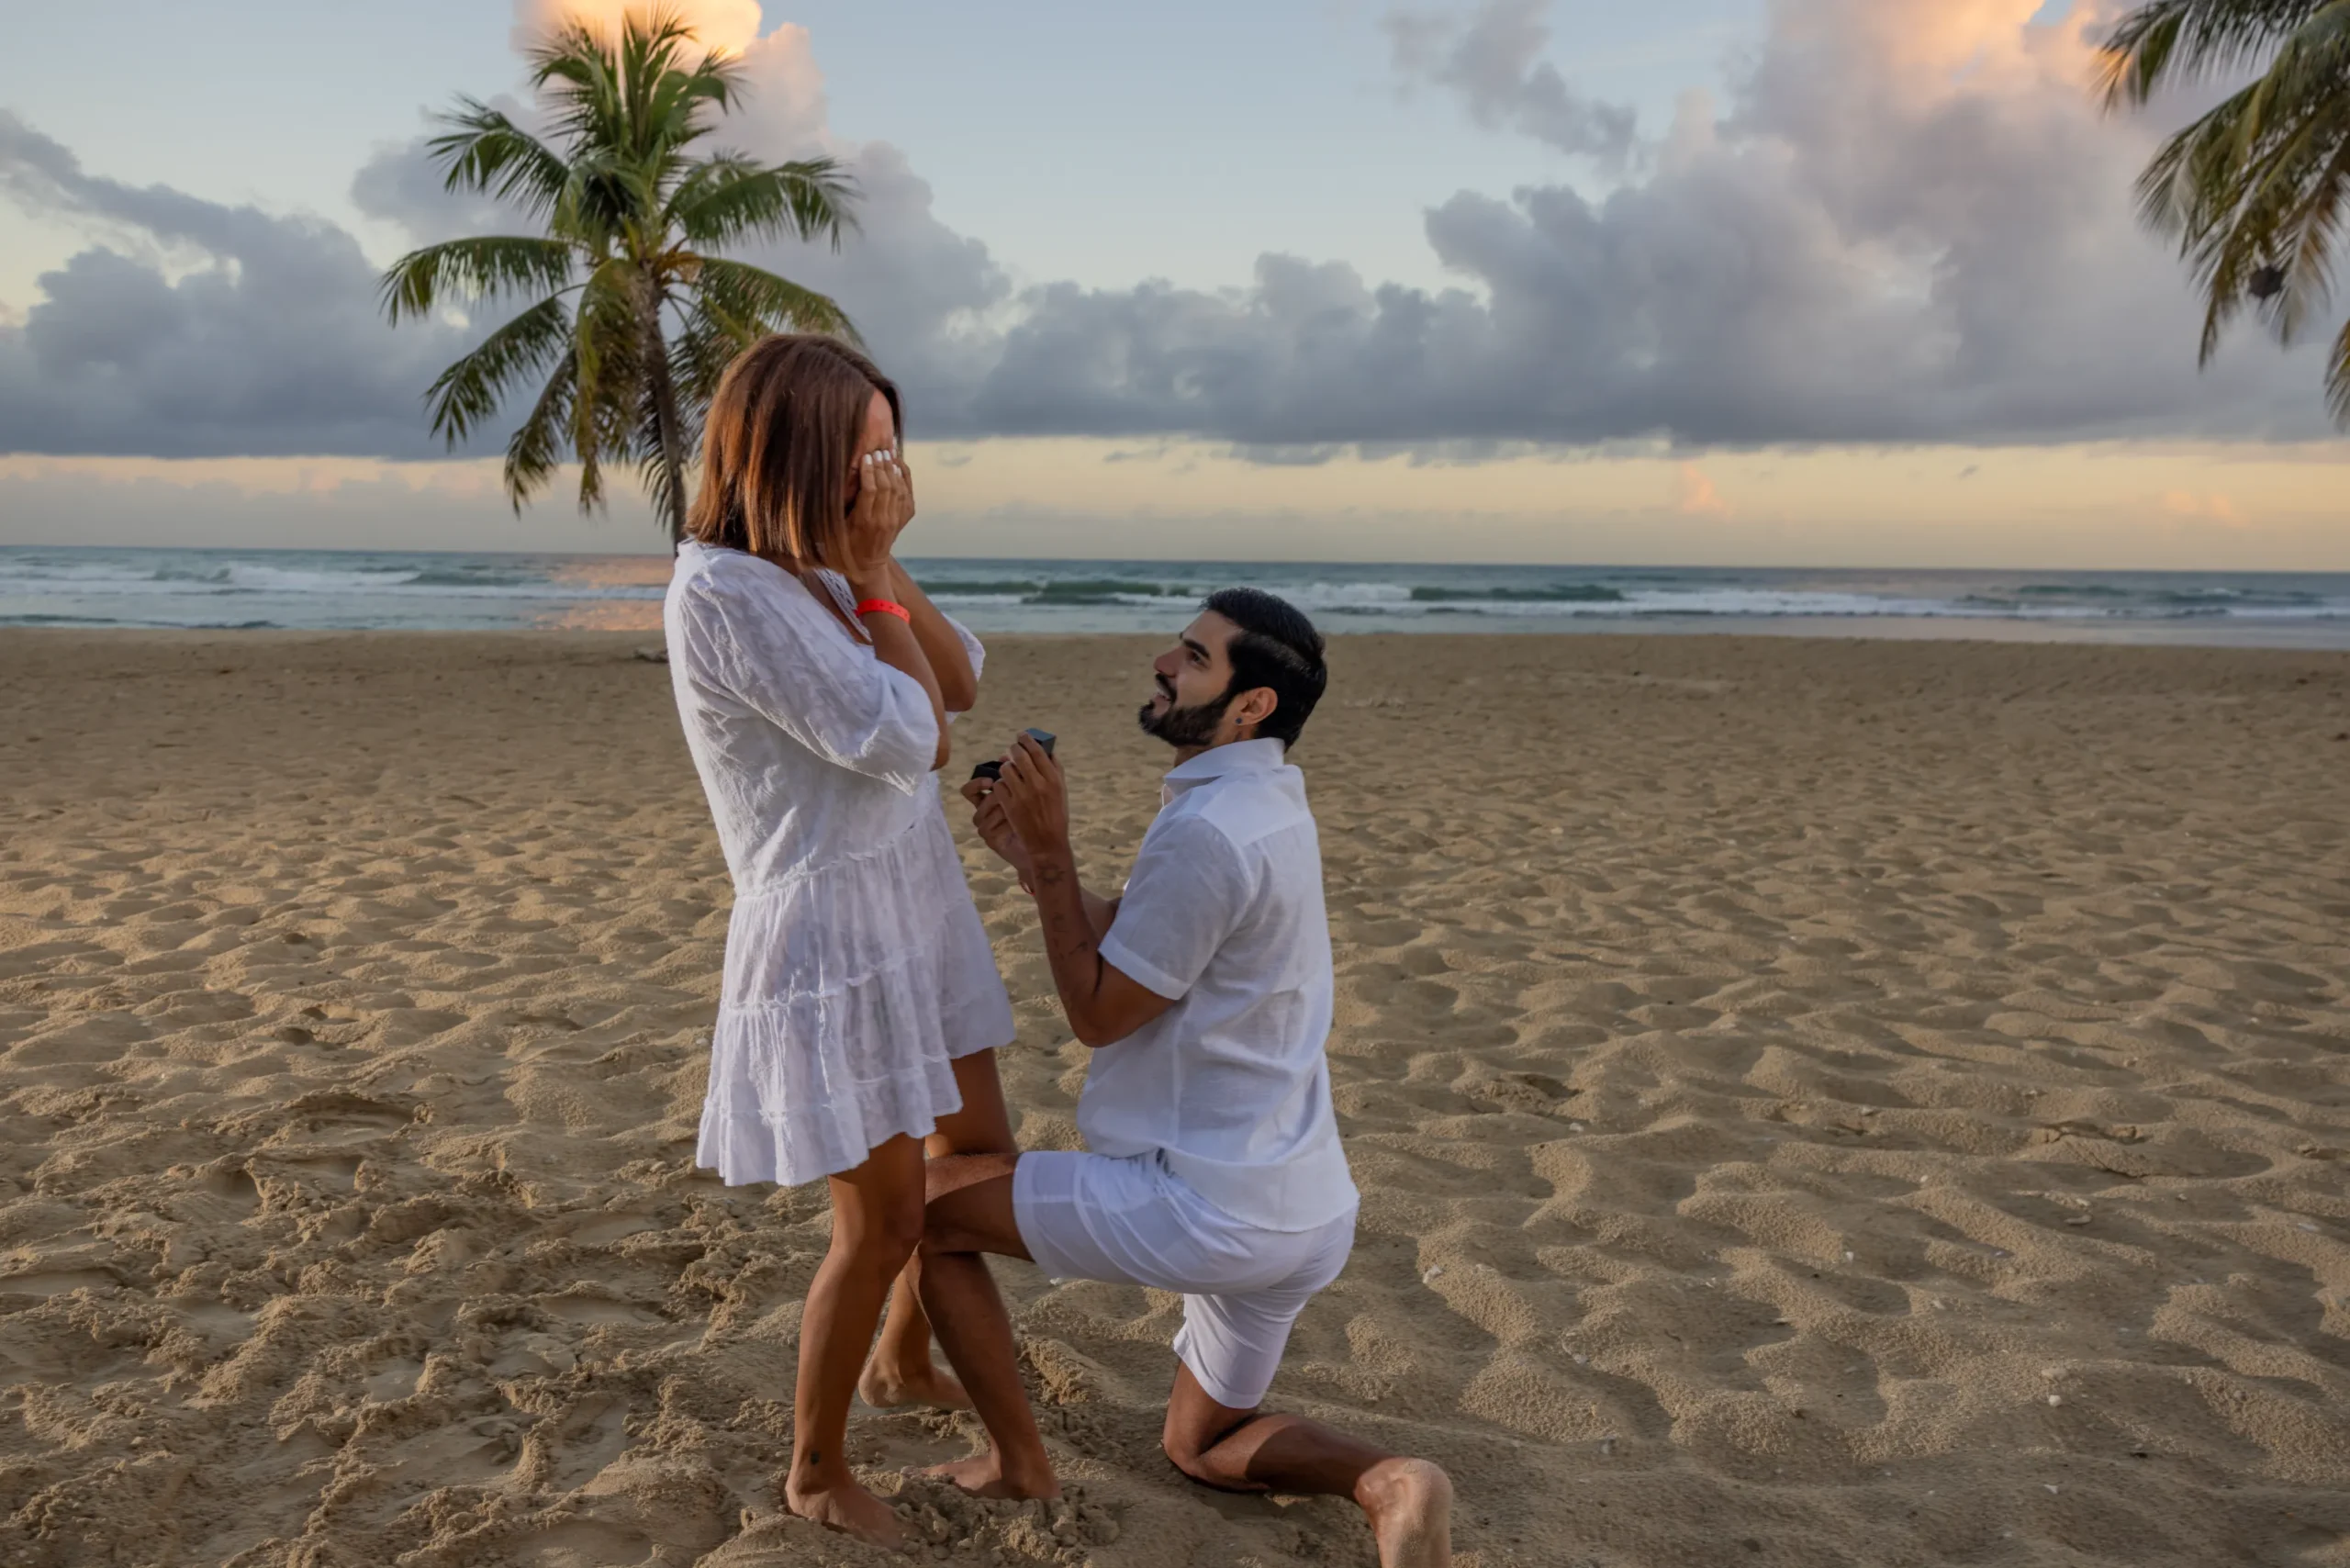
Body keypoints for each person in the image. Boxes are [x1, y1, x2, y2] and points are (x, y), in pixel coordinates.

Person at [915, 588, 1455, 1568]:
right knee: (1198, 1445)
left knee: (917, 1209)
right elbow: (1148, 938)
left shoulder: (1208, 831)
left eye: (1194, 657)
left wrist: (1052, 850)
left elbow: (1099, 1012)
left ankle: (1013, 1460)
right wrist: (1031, 862)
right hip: (1304, 1207)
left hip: (1207, 1205)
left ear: (1249, 706)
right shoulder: (1262, 802)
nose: (1163, 662)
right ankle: (1392, 1482)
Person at [662, 334, 1016, 1550]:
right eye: (869, 450)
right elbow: (902, 736)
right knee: (881, 1220)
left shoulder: (824, 568)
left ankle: (904, 1360)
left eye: (894, 449)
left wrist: (879, 565)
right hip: (832, 932)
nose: (887, 472)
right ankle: (815, 1470)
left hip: (914, 903)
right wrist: (869, 569)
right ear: (802, 451)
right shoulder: (724, 592)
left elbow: (958, 680)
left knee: (978, 1160)